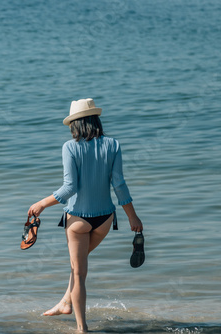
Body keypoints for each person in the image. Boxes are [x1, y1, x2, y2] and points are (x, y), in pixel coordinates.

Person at [27, 98, 143, 333]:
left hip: (78, 220)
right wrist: (133, 217)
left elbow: (69, 188)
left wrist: (41, 204)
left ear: (75, 125)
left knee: (78, 272)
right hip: (105, 220)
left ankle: (81, 328)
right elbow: (119, 185)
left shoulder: (70, 147)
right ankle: (64, 303)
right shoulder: (113, 145)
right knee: (77, 266)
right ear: (95, 120)